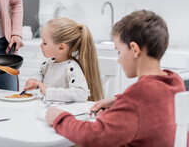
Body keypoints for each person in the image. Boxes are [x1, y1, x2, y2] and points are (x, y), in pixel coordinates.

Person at [46, 10, 186, 147]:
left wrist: (60, 118)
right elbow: (152, 105)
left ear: (135, 50)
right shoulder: (174, 80)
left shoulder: (138, 95)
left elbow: (92, 136)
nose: (118, 60)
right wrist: (120, 101)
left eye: (119, 51)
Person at [23, 17, 104, 102]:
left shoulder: (71, 68)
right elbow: (41, 74)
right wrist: (35, 80)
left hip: (65, 112)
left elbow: (81, 94)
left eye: (45, 43)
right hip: (48, 109)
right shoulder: (49, 63)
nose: (40, 45)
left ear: (61, 47)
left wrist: (49, 92)